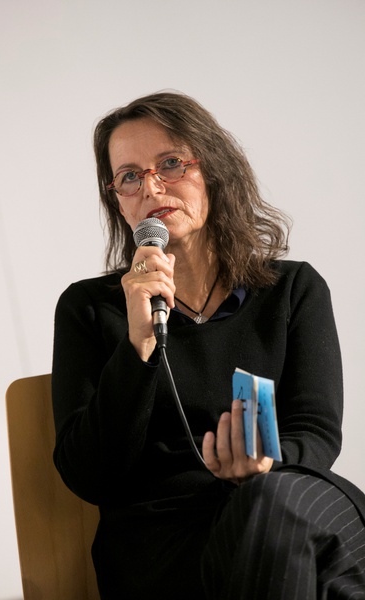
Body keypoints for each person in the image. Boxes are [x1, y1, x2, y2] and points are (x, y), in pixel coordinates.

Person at [52, 91, 365, 599]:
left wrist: (263, 466)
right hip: (168, 548)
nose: (151, 186)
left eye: (170, 163)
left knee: (283, 506)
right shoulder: (89, 309)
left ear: (214, 170)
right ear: (118, 200)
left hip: (282, 507)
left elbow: (316, 432)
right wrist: (139, 344)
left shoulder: (293, 290)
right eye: (129, 176)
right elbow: (89, 475)